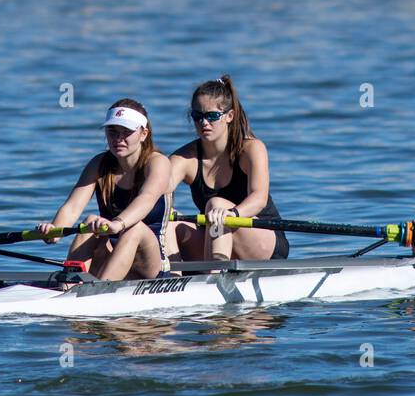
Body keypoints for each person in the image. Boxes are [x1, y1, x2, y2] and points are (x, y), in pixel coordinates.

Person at [36, 99, 172, 279]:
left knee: (134, 227)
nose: (118, 139)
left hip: (150, 264)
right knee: (90, 222)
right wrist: (54, 231)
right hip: (112, 254)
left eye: (127, 132)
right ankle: (68, 284)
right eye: (112, 132)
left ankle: (99, 293)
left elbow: (146, 198)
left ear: (143, 133)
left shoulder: (157, 162)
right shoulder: (99, 164)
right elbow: (73, 207)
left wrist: (119, 223)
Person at [169, 75, 289, 263]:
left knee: (217, 205)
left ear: (229, 116)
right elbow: (156, 193)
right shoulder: (184, 158)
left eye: (212, 116)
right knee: (168, 220)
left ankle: (213, 277)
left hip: (263, 240)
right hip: (214, 237)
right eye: (198, 116)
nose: (204, 123)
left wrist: (231, 214)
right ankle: (170, 281)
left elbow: (258, 199)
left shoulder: (251, 149)